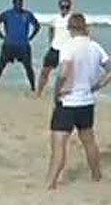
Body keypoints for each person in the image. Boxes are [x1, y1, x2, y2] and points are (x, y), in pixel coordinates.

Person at [47, 13, 111, 190]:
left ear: (70, 28)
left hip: (68, 101)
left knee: (59, 144)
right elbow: (109, 69)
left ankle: (51, 182)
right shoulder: (95, 47)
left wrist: (57, 91)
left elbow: (64, 72)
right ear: (85, 27)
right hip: (86, 101)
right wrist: (98, 85)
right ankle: (96, 175)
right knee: (89, 141)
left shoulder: (68, 46)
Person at [0, 0, 41, 91]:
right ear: (13, 4)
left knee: (28, 68)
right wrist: (1, 36)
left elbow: (37, 26)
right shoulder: (7, 14)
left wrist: (31, 37)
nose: (19, 5)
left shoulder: (27, 14)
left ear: (22, 4)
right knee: (1, 66)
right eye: (17, 3)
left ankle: (33, 88)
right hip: (9, 45)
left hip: (23, 46)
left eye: (20, 4)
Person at [36, 0, 73, 97]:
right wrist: (51, 42)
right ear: (59, 7)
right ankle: (39, 93)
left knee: (65, 75)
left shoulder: (72, 19)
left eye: (67, 7)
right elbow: (51, 30)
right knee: (44, 72)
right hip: (54, 49)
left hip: (67, 50)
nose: (65, 9)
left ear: (70, 7)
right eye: (63, 6)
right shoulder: (55, 19)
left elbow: (80, 31)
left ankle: (64, 94)